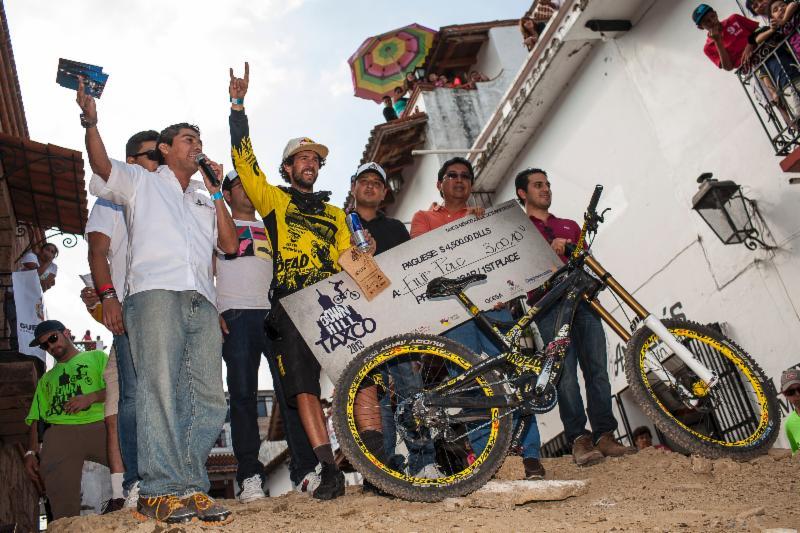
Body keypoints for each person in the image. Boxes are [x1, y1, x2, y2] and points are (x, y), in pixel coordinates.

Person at [77, 78, 237, 523]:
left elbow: (228, 246)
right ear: (165, 149)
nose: (197, 147)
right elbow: (102, 166)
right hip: (153, 296)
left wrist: (219, 192)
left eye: (200, 142)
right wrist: (90, 122)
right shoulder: (141, 183)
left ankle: (191, 484)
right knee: (159, 390)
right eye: (189, 140)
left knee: (207, 395)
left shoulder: (205, 199)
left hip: (201, 300)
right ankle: (160, 489)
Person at [228, 62, 374, 500]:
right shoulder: (272, 199)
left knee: (363, 376)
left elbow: (351, 261)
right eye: (303, 158)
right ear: (288, 167)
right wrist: (238, 107)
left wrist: (365, 256)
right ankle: (326, 468)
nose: (311, 163)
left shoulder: (335, 215)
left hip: (335, 301)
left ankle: (375, 460)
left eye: (317, 159)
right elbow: (243, 161)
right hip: (291, 305)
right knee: (302, 387)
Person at [410, 158, 545, 480]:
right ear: (439, 184)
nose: (459, 180)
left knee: (515, 376)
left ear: (471, 185)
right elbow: (422, 257)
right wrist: (465, 226)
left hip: (495, 309)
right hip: (454, 315)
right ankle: (488, 458)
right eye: (452, 176)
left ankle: (532, 455)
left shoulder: (487, 216)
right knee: (470, 382)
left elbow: (503, 260)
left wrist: (505, 287)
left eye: (465, 177)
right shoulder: (423, 217)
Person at [515, 168, 635, 466]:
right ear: (522, 193)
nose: (545, 189)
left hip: (584, 303)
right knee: (565, 376)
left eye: (547, 184)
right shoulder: (519, 232)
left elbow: (588, 260)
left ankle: (605, 435)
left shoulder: (569, 225)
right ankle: (579, 439)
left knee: (597, 370)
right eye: (537, 185)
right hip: (548, 308)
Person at [84, 129, 159, 511]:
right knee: (131, 398)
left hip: (164, 308)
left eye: (160, 159)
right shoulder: (111, 202)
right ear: (131, 162)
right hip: (129, 307)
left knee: (165, 397)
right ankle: (133, 483)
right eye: (151, 157)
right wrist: (109, 298)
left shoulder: (167, 195)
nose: (157, 165)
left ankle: (168, 478)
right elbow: (97, 252)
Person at [216, 169, 279, 503]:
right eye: (239, 184)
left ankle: (305, 471)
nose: (247, 189)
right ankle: (250, 477)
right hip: (235, 315)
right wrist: (213, 309)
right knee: (242, 397)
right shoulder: (215, 225)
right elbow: (201, 269)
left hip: (275, 315)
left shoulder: (274, 227)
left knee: (293, 392)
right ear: (226, 194)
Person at [22, 320, 109, 520]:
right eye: (45, 345)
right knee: (61, 503)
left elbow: (118, 387)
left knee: (129, 471)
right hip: (60, 431)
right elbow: (36, 417)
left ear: (66, 333)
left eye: (53, 338)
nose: (51, 346)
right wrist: (30, 452)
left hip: (99, 424)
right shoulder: (46, 379)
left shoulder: (96, 357)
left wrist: (90, 398)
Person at [694, 4, 758, 71]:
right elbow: (728, 67)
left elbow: (759, 30)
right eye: (706, 21)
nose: (712, 21)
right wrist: (717, 41)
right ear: (700, 27)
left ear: (715, 13)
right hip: (750, 71)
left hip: (764, 51)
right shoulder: (708, 48)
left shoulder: (734, 18)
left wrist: (750, 45)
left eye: (712, 16)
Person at [781, 368, 800, 453]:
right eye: (791, 392)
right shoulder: (789, 425)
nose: (797, 394)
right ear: (785, 394)